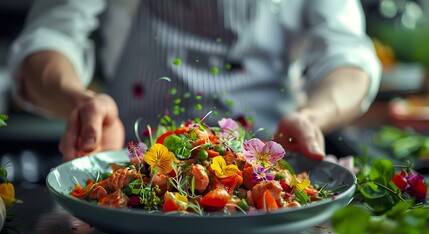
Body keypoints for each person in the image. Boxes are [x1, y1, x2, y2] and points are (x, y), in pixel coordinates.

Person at [7, 0, 381, 161]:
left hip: (269, 173)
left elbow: (348, 57)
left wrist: (313, 116)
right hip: (133, 170)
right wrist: (79, 101)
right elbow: (49, 38)